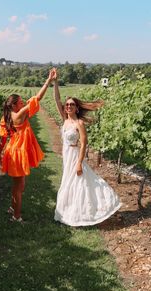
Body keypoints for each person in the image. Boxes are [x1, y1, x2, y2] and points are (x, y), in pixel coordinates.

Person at [53, 69, 121, 227]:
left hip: (74, 156)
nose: (68, 106)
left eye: (72, 105)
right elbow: (57, 100)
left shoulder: (79, 124)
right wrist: (55, 82)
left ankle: (85, 212)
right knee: (69, 182)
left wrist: (79, 162)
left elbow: (84, 143)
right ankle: (69, 212)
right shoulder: (65, 120)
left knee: (80, 182)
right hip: (66, 154)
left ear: (76, 108)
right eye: (67, 104)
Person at [2, 69, 56, 222]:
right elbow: (37, 98)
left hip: (13, 150)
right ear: (13, 105)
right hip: (18, 152)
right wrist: (48, 81)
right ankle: (16, 217)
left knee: (18, 184)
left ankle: (12, 208)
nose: (23, 102)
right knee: (19, 187)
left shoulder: (9, 115)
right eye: (20, 102)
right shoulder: (19, 114)